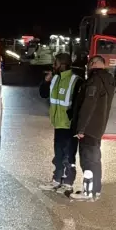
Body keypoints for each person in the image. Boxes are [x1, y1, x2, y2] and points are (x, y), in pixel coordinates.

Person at [71, 54, 115, 201]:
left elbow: (88, 105)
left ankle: (88, 192)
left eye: (89, 65)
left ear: (94, 64)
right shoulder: (108, 80)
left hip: (89, 128)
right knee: (95, 159)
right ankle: (95, 189)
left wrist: (81, 128)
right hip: (97, 128)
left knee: (88, 159)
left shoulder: (94, 81)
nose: (87, 68)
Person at [39, 52, 80, 194]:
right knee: (58, 155)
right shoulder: (55, 79)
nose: (53, 65)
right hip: (58, 124)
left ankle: (68, 183)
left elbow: (78, 105)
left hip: (70, 126)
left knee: (69, 155)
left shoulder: (75, 80)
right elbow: (44, 94)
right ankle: (56, 180)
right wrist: (46, 81)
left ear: (63, 64)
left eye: (55, 63)